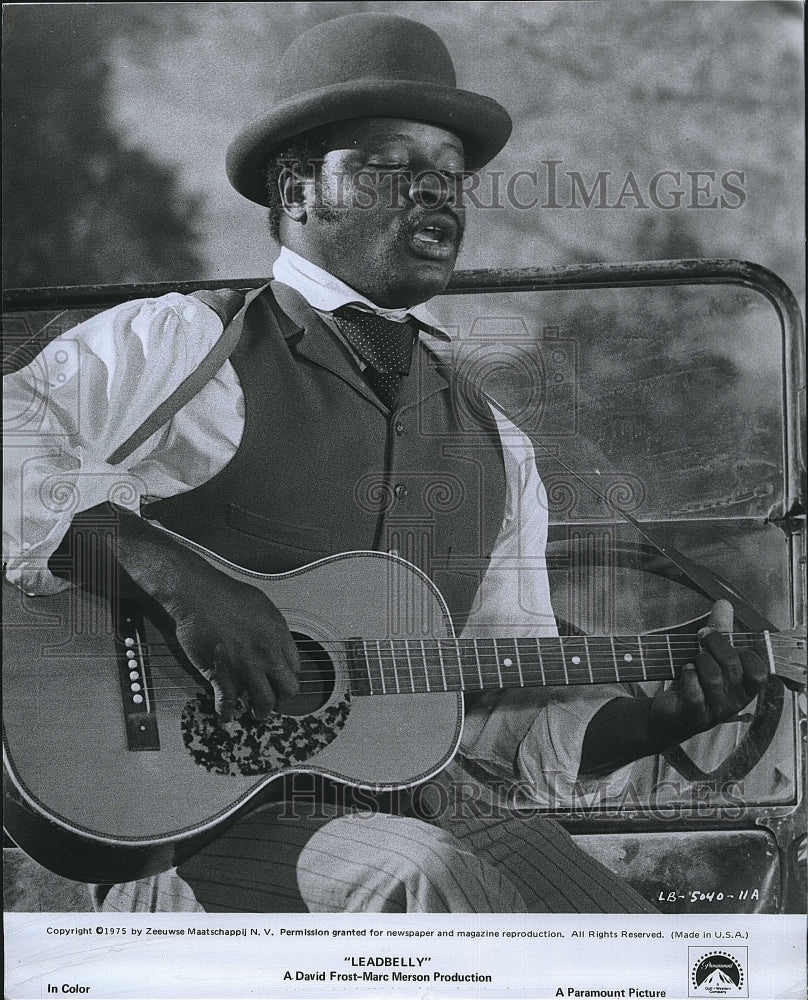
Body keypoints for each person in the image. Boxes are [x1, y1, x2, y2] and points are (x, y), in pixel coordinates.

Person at [2, 13, 767, 913]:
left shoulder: (498, 448)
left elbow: (491, 719)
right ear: (296, 191)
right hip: (174, 829)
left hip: (417, 807)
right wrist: (174, 580)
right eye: (390, 168)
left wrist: (659, 720)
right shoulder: (188, 342)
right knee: (426, 878)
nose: (435, 195)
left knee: (642, 946)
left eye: (449, 177)